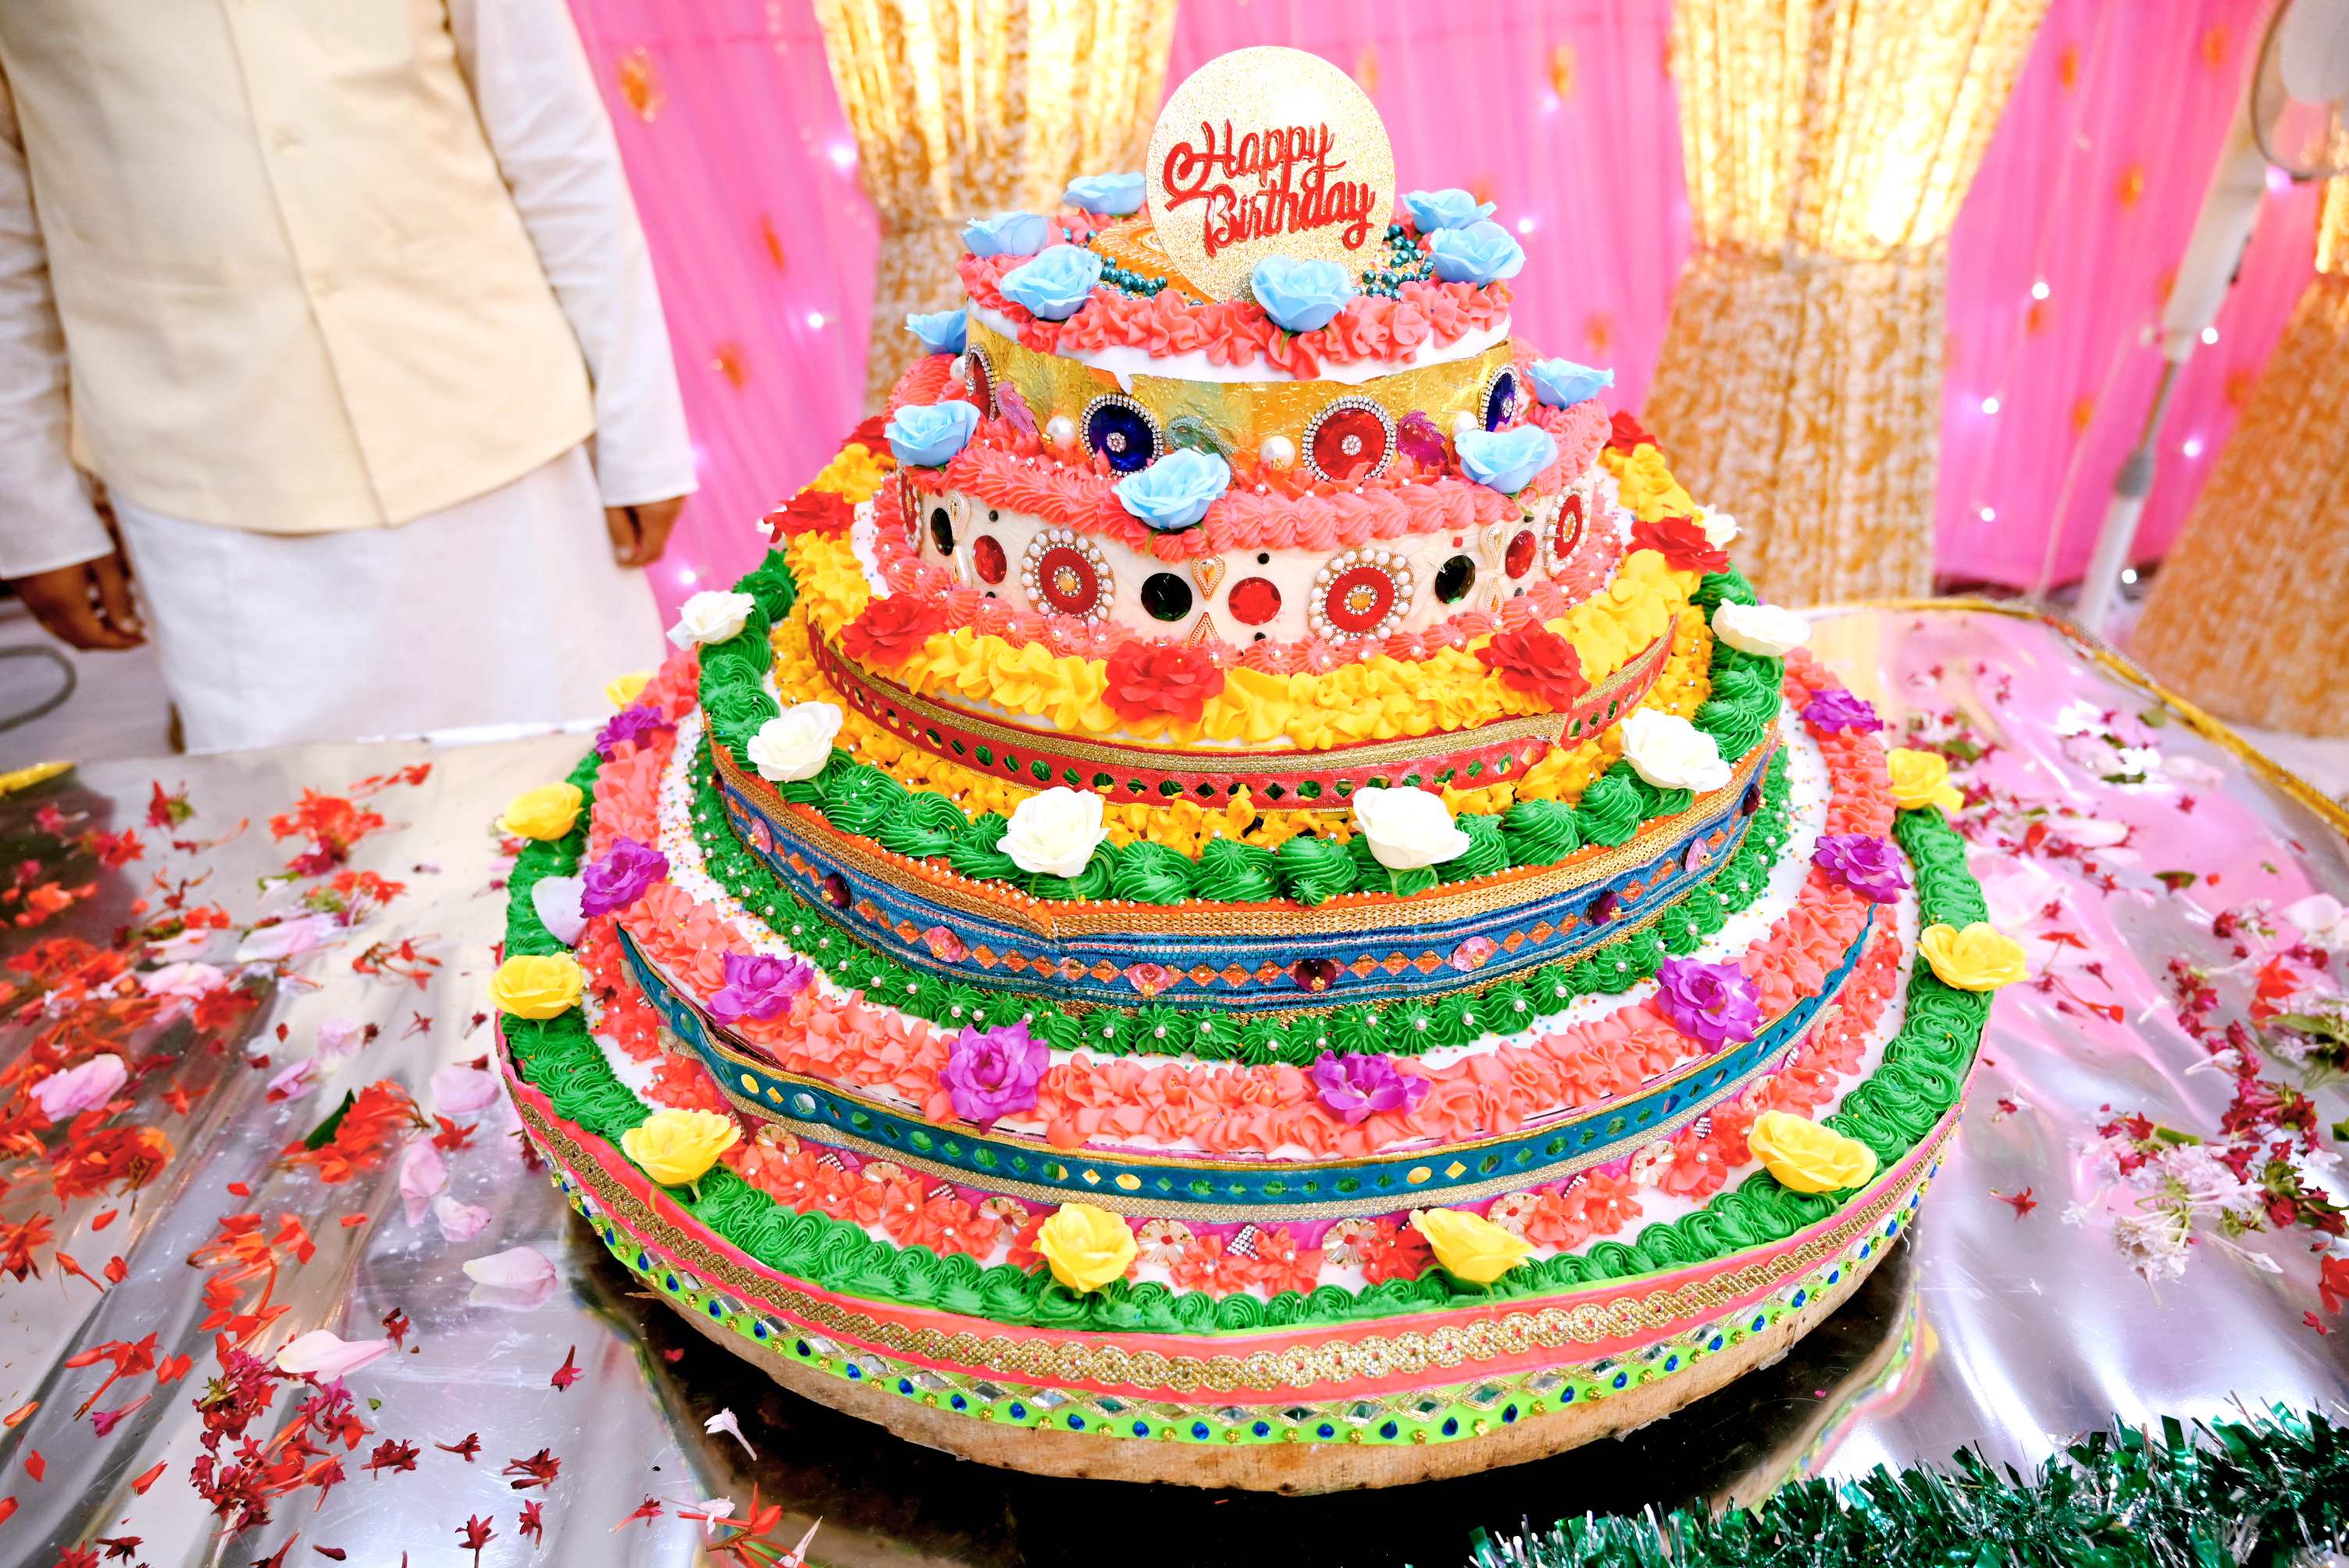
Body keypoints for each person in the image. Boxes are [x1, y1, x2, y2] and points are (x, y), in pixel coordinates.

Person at [0, 0, 693, 752]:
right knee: (293, 818)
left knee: (596, 787)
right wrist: (38, 520)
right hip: (212, 488)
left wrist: (641, 431)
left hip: (504, 431)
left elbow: (555, 144)